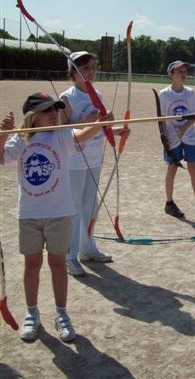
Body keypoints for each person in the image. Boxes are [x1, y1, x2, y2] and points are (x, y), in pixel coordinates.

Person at [0, 92, 114, 341]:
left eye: (55, 109)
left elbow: (83, 134)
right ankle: (32, 313)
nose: (53, 113)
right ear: (32, 117)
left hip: (60, 214)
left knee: (58, 265)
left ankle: (61, 313)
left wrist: (99, 124)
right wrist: (4, 135)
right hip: (29, 214)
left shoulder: (62, 135)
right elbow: (0, 157)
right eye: (46, 110)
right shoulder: (21, 139)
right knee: (32, 265)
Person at [60, 51, 129, 277]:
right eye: (85, 68)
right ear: (73, 72)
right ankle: (70, 256)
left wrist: (116, 129)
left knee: (90, 207)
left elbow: (101, 126)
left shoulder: (97, 94)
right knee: (75, 209)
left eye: (92, 67)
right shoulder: (66, 98)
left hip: (94, 158)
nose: (91, 71)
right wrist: (83, 122)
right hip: (75, 162)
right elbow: (60, 134)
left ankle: (87, 249)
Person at [158, 60, 195, 223]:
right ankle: (169, 203)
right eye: (179, 71)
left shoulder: (190, 93)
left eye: (185, 71)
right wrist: (166, 141)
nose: (183, 74)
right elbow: (162, 120)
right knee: (172, 168)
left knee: (193, 168)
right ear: (170, 75)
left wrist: (185, 127)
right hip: (172, 139)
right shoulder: (164, 94)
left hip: (190, 137)